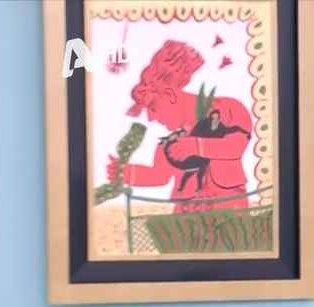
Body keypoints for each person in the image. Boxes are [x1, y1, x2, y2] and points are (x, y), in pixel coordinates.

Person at [107, 40, 252, 213]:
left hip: (227, 208)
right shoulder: (170, 142)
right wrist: (126, 173)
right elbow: (160, 176)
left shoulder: (229, 108)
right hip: (186, 215)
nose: (151, 118)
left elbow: (236, 146)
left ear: (170, 95)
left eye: (153, 108)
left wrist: (196, 146)